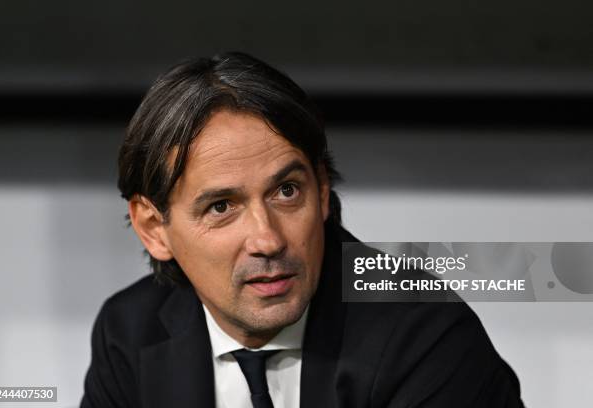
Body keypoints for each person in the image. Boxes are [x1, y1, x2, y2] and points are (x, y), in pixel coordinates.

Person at [80, 52, 524, 408]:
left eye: (287, 191)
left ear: (323, 191)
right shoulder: (130, 334)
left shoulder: (424, 335)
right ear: (154, 228)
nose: (268, 239)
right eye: (221, 207)